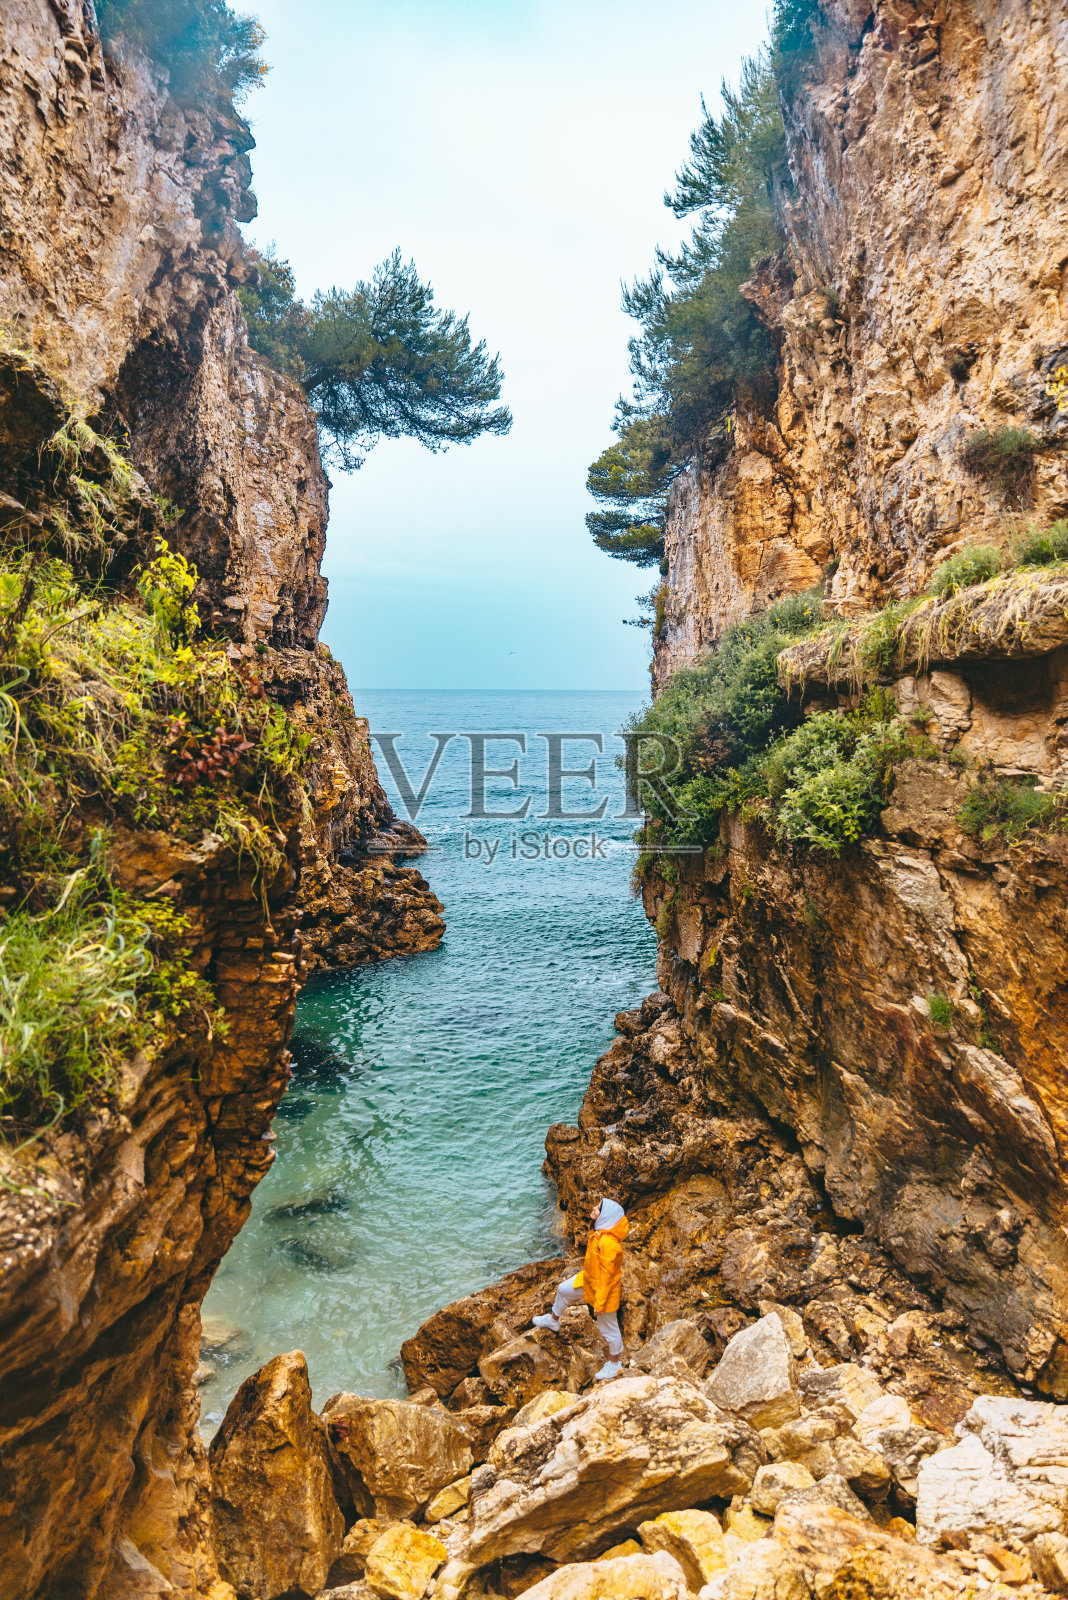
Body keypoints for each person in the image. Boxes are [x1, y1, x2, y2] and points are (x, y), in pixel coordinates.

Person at [533, 1196, 629, 1380]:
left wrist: (599, 1303)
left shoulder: (609, 1244)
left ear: (606, 1217)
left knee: (609, 1329)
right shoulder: (600, 1233)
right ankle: (553, 1319)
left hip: (603, 1291)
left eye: (599, 1208)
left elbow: (608, 1278)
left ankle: (615, 1364)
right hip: (588, 1280)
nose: (594, 1208)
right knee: (563, 1290)